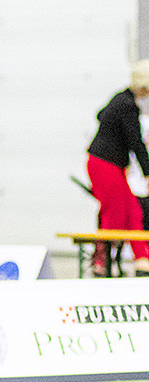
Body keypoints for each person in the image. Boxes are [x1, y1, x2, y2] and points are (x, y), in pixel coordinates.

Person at [87, 60, 149, 277]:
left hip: (106, 163)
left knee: (133, 209)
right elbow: (136, 142)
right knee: (114, 214)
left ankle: (142, 259)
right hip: (105, 164)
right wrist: (147, 172)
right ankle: (100, 262)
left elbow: (100, 115)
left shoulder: (120, 98)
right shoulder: (128, 106)